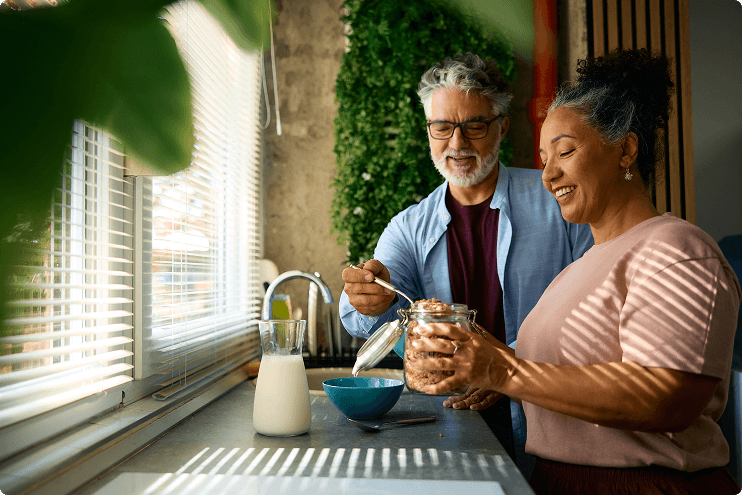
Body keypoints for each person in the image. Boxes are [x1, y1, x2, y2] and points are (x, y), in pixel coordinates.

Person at [410, 48, 742, 494]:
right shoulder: (578, 270)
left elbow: (664, 396)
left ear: (625, 149)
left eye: (564, 152)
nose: (547, 176)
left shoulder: (677, 250)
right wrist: (490, 359)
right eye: (544, 158)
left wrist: (505, 372)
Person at [339, 52, 594, 475]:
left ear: (502, 127)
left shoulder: (557, 199)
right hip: (448, 428)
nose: (456, 144)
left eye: (474, 126)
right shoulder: (409, 227)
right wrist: (369, 297)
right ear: (428, 130)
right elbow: (359, 314)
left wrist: (508, 367)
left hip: (552, 422)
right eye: (442, 127)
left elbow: (596, 308)